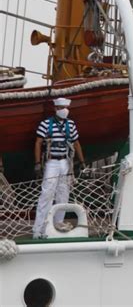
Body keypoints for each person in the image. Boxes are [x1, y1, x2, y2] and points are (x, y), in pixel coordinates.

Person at [32, 97, 85, 239]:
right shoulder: (45, 124)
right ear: (55, 108)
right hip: (52, 162)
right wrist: (37, 163)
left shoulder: (71, 124)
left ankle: (58, 224)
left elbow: (76, 142)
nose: (65, 110)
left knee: (63, 193)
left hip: (65, 163)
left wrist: (82, 160)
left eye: (66, 107)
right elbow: (38, 143)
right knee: (47, 194)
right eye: (62, 107)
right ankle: (39, 229)